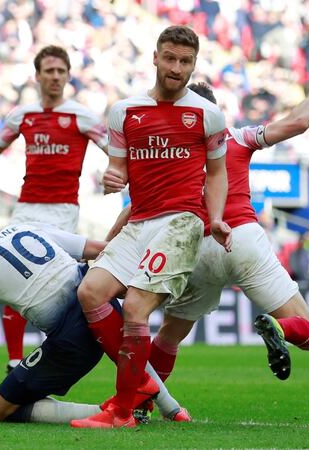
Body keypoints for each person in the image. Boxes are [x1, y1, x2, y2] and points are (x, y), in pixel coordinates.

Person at [107, 54, 309, 387]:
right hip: (241, 238)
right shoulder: (237, 137)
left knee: (169, 336)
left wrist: (107, 245)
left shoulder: (169, 152)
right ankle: (280, 328)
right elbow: (297, 123)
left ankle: (142, 402)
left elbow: (136, 209)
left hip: (193, 251)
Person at [70, 26, 231, 429]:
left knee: (137, 309)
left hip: (181, 221)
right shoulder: (124, 111)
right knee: (90, 292)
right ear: (155, 57)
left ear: (194, 64)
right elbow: (118, 168)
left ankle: (122, 412)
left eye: (186, 61)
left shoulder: (207, 114)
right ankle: (141, 382)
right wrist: (112, 177)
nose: (177, 68)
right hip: (139, 219)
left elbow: (217, 173)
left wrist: (215, 217)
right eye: (171, 58)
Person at [0, 209, 180, 425]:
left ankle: (110, 411)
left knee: (1, 407)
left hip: (73, 337)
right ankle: (171, 408)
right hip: (95, 297)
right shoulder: (24, 228)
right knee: (109, 322)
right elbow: (99, 249)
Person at [0, 46, 108, 373]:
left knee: (58, 283)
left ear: (68, 76)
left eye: (61, 71)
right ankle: (14, 360)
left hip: (63, 210)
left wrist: (118, 170)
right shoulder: (24, 115)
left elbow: (112, 149)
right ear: (38, 75)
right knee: (14, 278)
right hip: (27, 208)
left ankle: (50, 356)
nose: (55, 77)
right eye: (50, 71)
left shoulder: (81, 115)